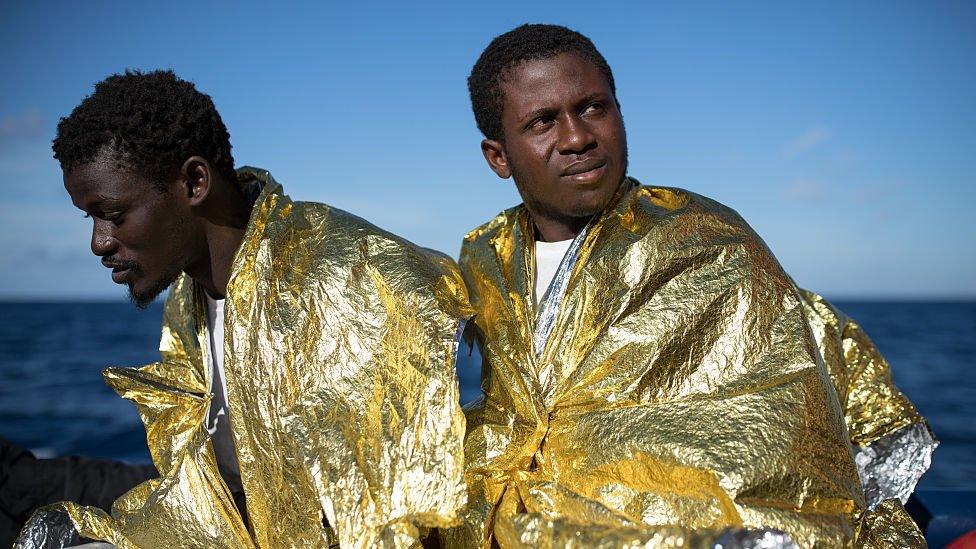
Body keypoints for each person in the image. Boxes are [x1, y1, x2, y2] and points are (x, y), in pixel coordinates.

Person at [443, 24, 933, 548]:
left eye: (593, 107)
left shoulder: (706, 240)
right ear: (499, 156)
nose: (577, 137)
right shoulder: (486, 263)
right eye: (543, 122)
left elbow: (780, 432)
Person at [14, 70, 471, 548]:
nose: (98, 243)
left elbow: (407, 519)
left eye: (113, 215)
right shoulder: (188, 301)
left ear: (194, 182)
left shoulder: (347, 282)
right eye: (90, 218)